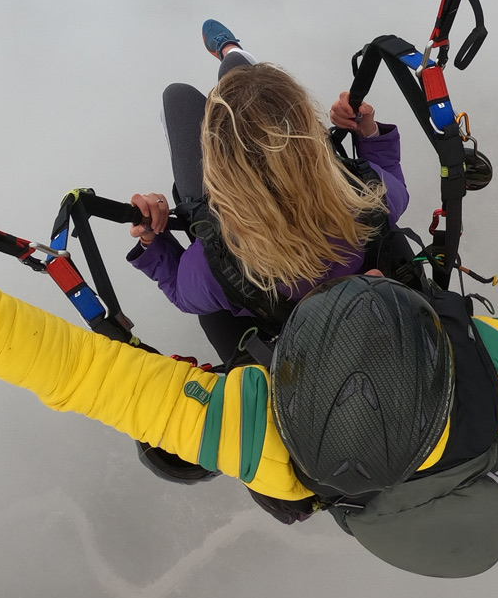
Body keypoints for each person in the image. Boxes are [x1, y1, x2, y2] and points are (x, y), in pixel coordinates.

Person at [0, 131, 498, 575]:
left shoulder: (280, 448)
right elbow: (75, 374)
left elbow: (69, 370)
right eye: (388, 296)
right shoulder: (485, 372)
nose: (376, 274)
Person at [127, 19, 410, 367]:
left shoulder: (212, 268)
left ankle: (232, 56)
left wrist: (150, 241)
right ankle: (233, 55)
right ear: (310, 138)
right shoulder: (368, 196)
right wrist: (369, 132)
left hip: (252, 266)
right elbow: (394, 181)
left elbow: (182, 294)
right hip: (332, 218)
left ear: (216, 165)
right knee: (244, 86)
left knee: (177, 96)